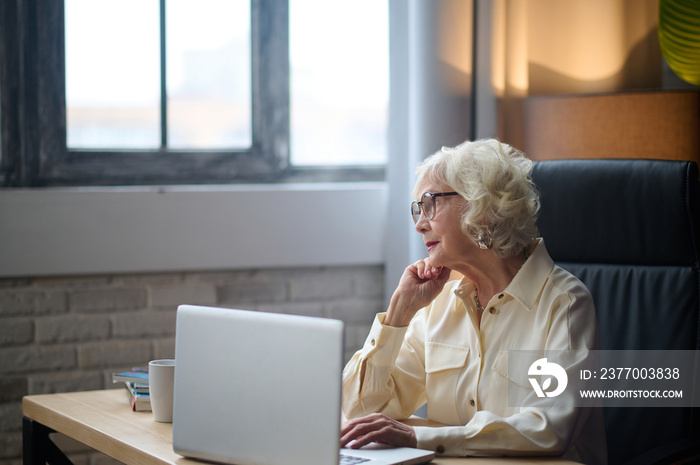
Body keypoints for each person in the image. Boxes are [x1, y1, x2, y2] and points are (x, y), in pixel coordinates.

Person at [340, 139, 606, 464]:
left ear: (482, 206)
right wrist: (399, 313)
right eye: (417, 209)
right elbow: (362, 410)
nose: (419, 224)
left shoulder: (565, 303)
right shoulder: (438, 301)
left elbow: (550, 427)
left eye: (429, 204)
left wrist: (417, 437)